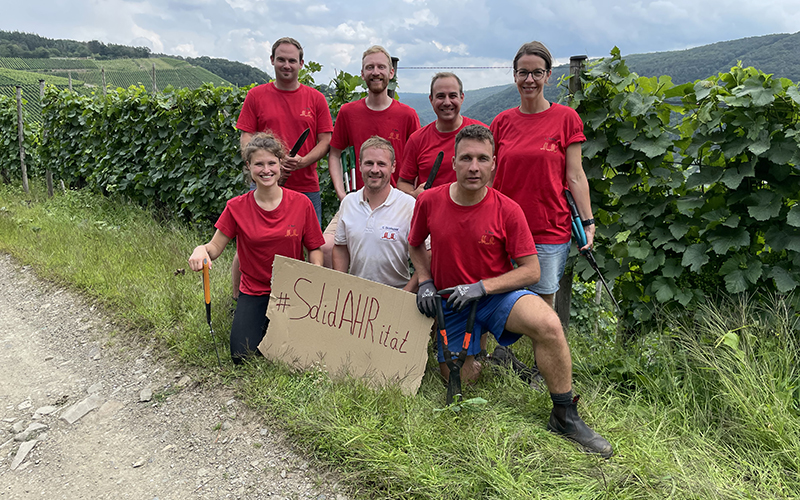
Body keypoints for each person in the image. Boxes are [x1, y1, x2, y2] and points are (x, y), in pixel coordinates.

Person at [408, 124, 612, 457]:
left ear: (494, 164)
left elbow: (531, 270)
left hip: (495, 296)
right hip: (454, 302)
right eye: (467, 158)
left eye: (482, 159)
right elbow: (415, 244)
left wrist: (482, 287)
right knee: (461, 379)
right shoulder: (429, 201)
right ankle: (482, 350)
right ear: (455, 164)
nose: (474, 167)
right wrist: (426, 280)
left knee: (548, 324)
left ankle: (564, 413)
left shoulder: (508, 210)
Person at [188, 133, 325, 364]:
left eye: (272, 163)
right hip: (254, 290)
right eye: (259, 164)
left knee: (299, 355)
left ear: (281, 164)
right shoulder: (236, 207)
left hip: (292, 290)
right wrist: (200, 250)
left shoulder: (302, 203)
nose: (266, 170)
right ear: (248, 166)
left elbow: (315, 248)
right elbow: (214, 247)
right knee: (241, 356)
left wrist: (315, 273)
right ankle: (256, 321)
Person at [490, 41, 596, 309]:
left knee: (543, 303)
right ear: (514, 75)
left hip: (548, 229)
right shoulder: (501, 123)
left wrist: (588, 222)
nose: (529, 80)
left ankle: (539, 352)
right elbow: (490, 178)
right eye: (523, 72)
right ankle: (501, 353)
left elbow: (575, 176)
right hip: (502, 229)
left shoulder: (567, 119)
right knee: (497, 300)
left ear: (548, 75)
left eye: (537, 72)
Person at [234, 37, 333, 298]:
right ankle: (240, 299)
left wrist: (303, 161)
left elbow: (326, 141)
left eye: (292, 60)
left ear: (301, 63)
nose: (286, 65)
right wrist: (265, 164)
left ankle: (303, 300)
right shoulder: (256, 95)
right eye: (281, 59)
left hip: (305, 186)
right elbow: (246, 137)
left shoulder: (316, 98)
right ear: (272, 61)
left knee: (309, 245)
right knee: (248, 245)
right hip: (265, 184)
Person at [321, 45, 420, 267]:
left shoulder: (407, 115)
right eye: (370, 67)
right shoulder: (348, 112)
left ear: (391, 73)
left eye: (381, 67)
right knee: (326, 248)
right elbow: (334, 154)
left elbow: (417, 160)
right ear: (362, 73)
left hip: (398, 206)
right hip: (358, 202)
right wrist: (342, 194)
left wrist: (412, 195)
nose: (376, 72)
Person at [332, 136, 417, 291]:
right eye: (369, 163)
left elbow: (427, 256)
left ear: (393, 167)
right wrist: (340, 283)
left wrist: (405, 295)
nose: (375, 170)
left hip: (396, 292)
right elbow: (340, 247)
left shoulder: (408, 205)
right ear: (359, 165)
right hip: (356, 294)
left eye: (381, 164)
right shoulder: (349, 202)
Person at [397, 72, 486, 198]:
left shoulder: (483, 135)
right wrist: (414, 194)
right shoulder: (417, 139)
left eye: (453, 96)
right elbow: (404, 182)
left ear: (462, 97)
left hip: (473, 211)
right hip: (432, 213)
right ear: (431, 100)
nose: (447, 102)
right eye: (440, 96)